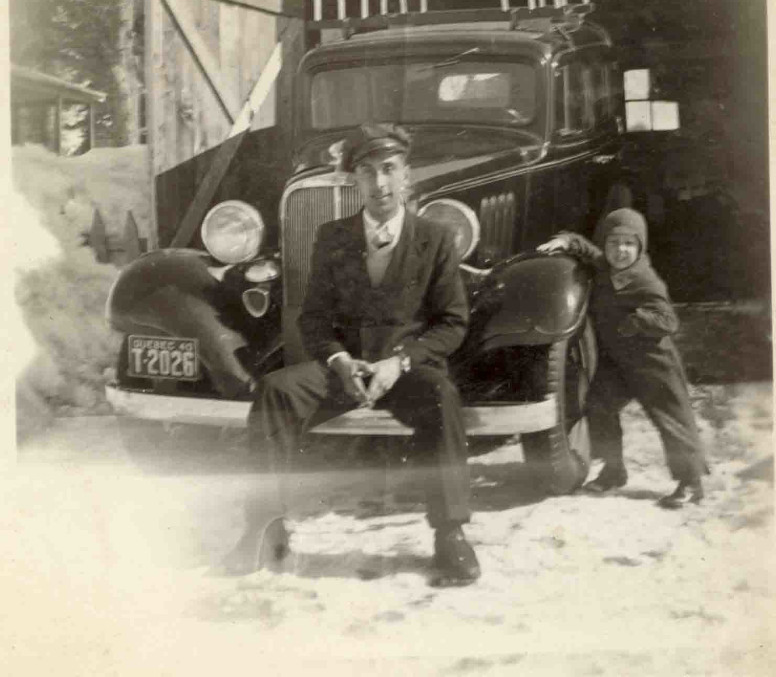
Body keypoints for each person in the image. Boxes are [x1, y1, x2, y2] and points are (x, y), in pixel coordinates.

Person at [223, 122, 480, 586]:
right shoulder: (333, 237)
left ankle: (450, 535)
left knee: (442, 396)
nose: (379, 184)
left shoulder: (435, 238)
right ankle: (264, 528)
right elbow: (314, 319)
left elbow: (453, 323)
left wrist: (398, 362)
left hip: (406, 371)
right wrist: (340, 360)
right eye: (367, 172)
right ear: (354, 181)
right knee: (275, 392)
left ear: (406, 176)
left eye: (389, 170)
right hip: (344, 371)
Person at [538, 207, 706, 508]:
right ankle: (614, 470)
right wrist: (565, 241)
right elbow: (584, 247)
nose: (621, 250)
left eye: (629, 244)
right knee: (599, 405)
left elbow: (669, 321)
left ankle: (691, 483)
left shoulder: (645, 280)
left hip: (654, 362)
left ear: (640, 247)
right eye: (614, 243)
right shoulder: (603, 265)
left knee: (671, 420)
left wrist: (637, 320)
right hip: (618, 363)